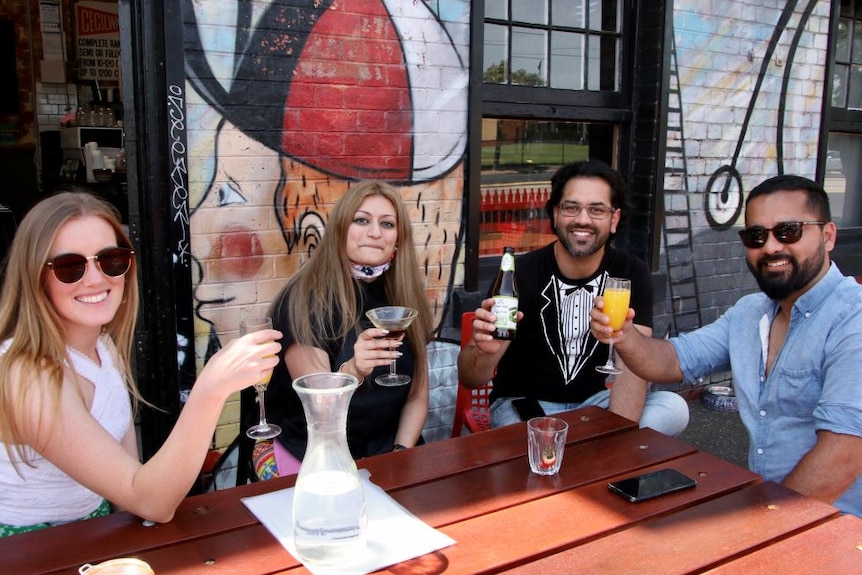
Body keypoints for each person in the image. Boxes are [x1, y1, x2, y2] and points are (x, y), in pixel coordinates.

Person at [0, 191, 281, 536]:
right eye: (69, 267)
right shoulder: (28, 374)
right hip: (29, 546)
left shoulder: (103, 347)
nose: (95, 279)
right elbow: (150, 501)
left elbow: (130, 487)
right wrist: (211, 389)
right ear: (35, 277)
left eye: (110, 260)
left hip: (94, 529)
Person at [591, 174, 862, 517]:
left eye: (788, 231)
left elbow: (843, 456)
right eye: (756, 235)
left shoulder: (853, 320)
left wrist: (761, 528)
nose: (772, 246)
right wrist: (624, 336)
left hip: (834, 532)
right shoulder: (751, 313)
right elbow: (672, 360)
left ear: (828, 236)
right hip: (765, 505)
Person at [458, 160, 689, 436]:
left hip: (593, 405)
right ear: (556, 214)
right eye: (571, 207)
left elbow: (632, 367)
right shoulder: (519, 273)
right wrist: (485, 352)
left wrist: (619, 435)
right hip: (526, 408)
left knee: (674, 408)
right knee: (527, 440)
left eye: (597, 209)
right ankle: (583, 454)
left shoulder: (630, 274)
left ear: (614, 220)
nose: (582, 219)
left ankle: (591, 453)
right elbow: (470, 378)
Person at [258, 180, 433, 473]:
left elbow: (417, 396)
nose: (375, 232)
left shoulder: (404, 295)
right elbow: (320, 412)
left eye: (387, 224)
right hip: (312, 451)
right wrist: (353, 370)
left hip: (387, 451)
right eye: (361, 220)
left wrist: (399, 452)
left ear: (399, 238)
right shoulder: (303, 300)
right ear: (340, 230)